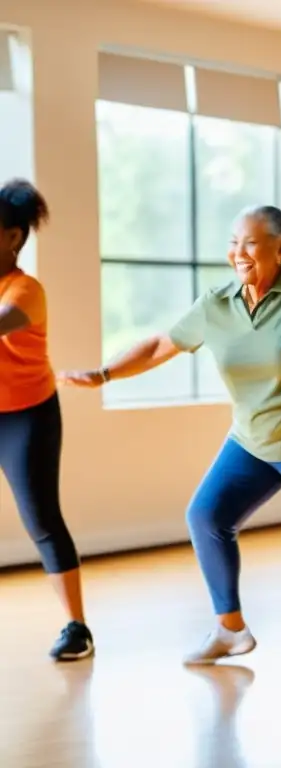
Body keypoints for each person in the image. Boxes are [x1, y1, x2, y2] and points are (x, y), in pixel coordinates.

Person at [60, 205, 281, 681]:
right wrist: (104, 373)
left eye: (250, 243)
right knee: (207, 515)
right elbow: (158, 345)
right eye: (234, 241)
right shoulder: (218, 303)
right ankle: (229, 628)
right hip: (253, 438)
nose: (238, 252)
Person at [0, 179, 95, 662]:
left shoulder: (25, 290)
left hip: (25, 416)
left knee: (41, 520)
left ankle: (76, 626)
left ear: (13, 237)